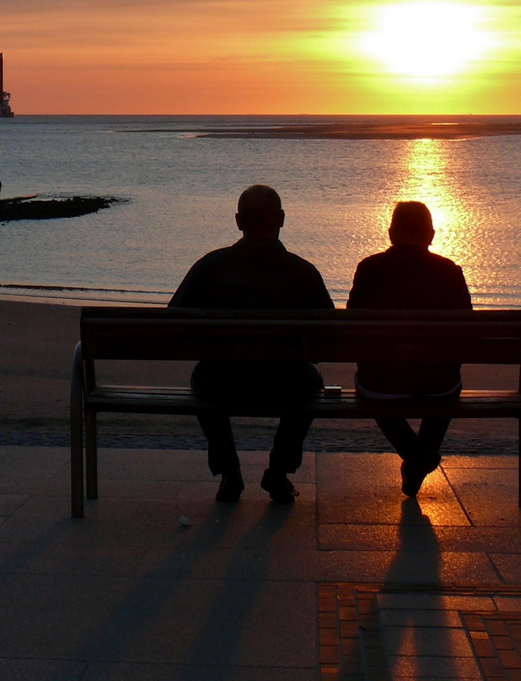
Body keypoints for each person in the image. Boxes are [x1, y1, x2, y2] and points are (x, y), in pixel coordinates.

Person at [171, 184, 333, 504]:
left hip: (223, 381)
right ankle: (279, 471)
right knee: (312, 382)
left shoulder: (210, 266)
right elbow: (327, 339)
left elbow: (174, 320)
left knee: (201, 378)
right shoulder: (303, 272)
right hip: (285, 382)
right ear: (282, 219)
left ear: (238, 221)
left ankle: (229, 471)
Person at [347, 201, 472, 497]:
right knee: (445, 384)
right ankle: (421, 454)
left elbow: (351, 326)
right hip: (438, 384)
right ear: (430, 234)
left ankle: (416, 454)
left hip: (381, 383)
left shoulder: (369, 269)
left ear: (391, 233)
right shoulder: (449, 272)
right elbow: (468, 333)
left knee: (371, 388)